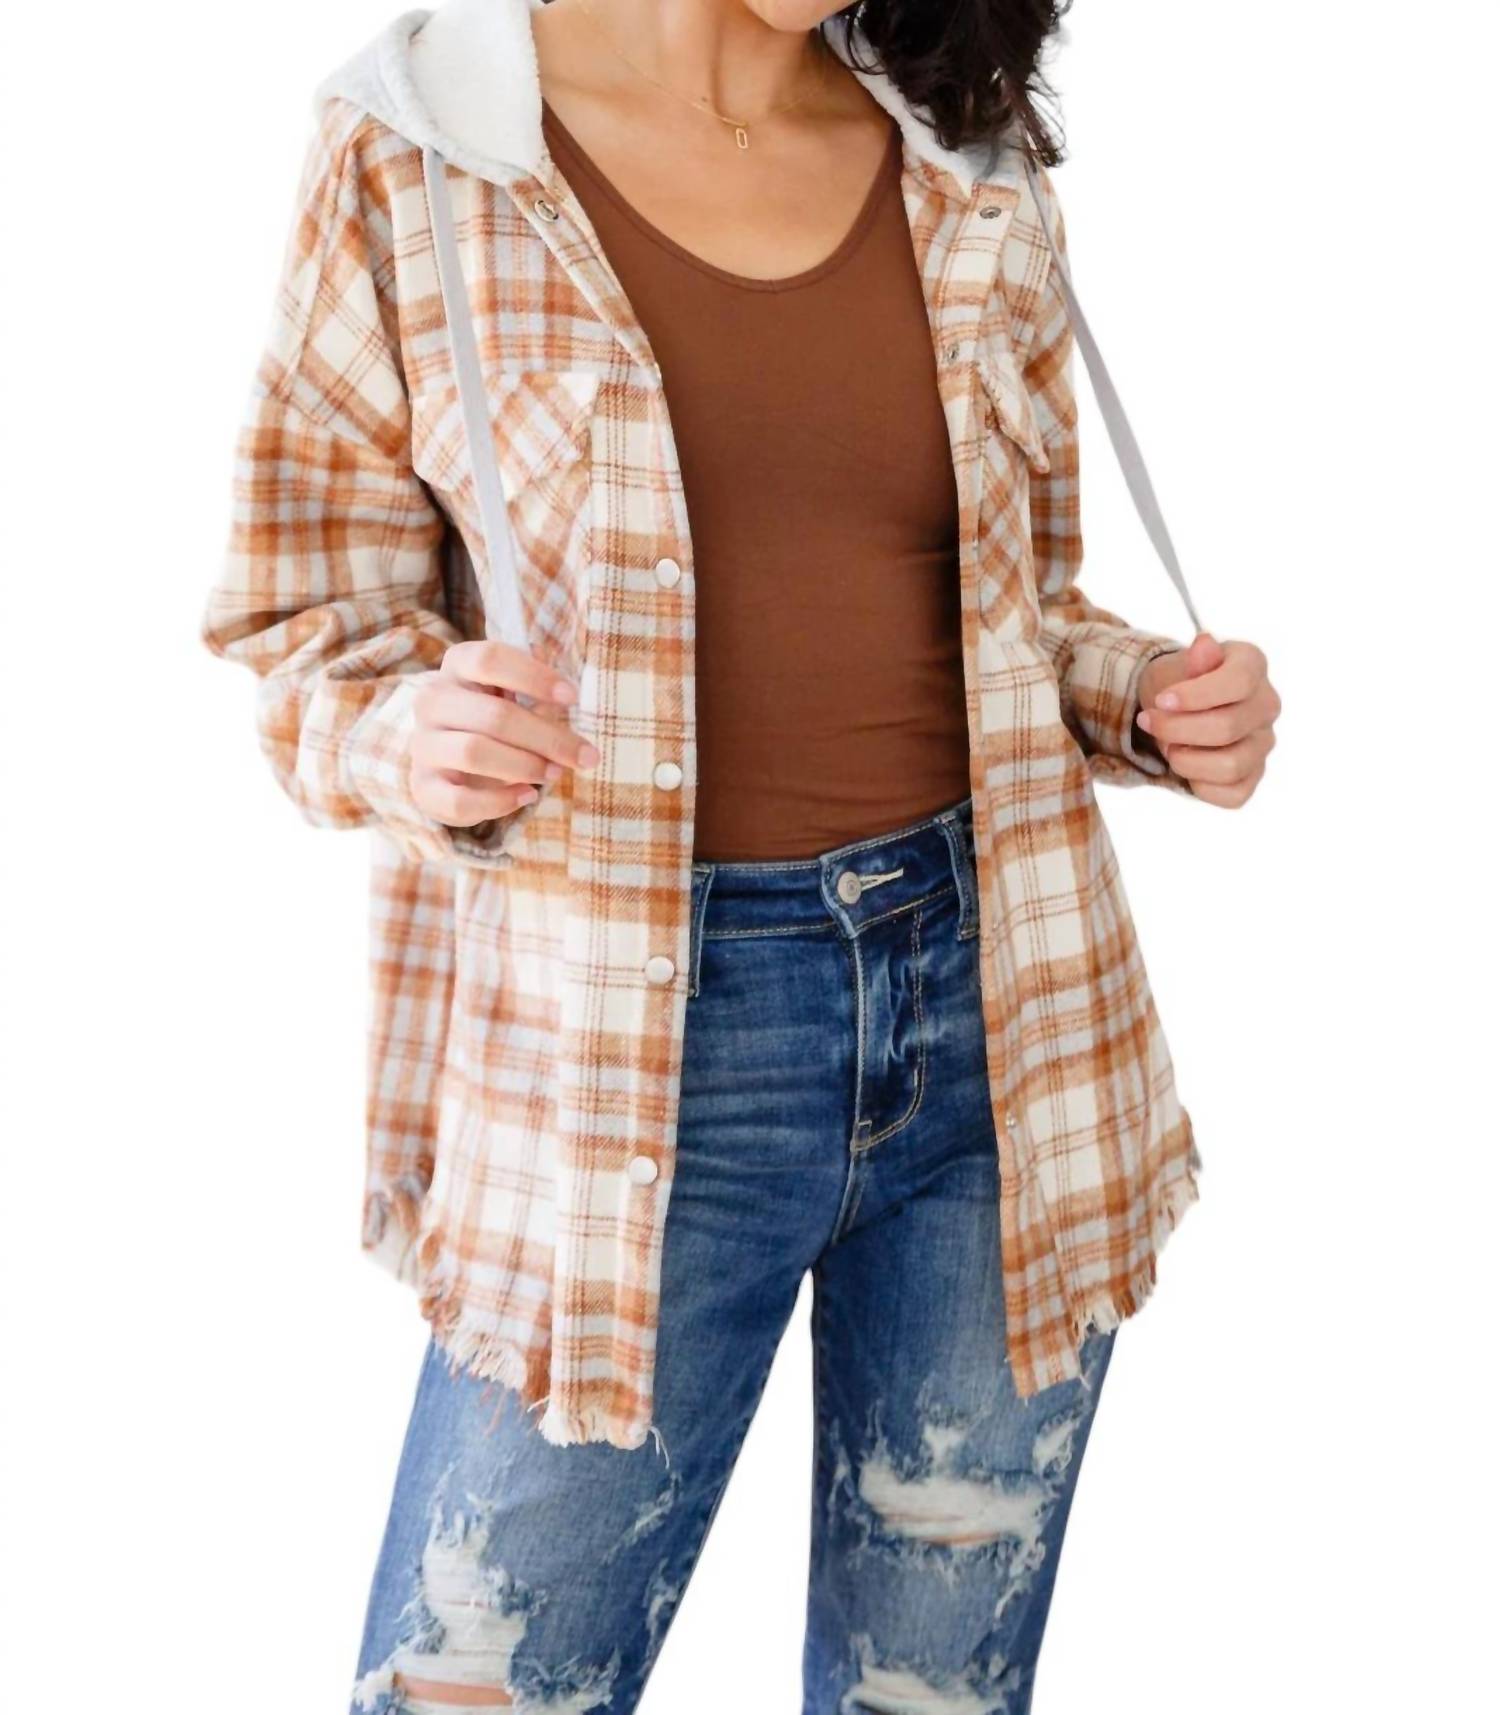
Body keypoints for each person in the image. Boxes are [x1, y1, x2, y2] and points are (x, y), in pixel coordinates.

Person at [201, 1, 1280, 1708]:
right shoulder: (421, 146)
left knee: (931, 1696)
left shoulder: (961, 151)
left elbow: (1022, 608)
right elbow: (303, 629)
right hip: (628, 1065)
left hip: (1005, 1032)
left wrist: (1143, 699)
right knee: (475, 1679)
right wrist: (414, 737)